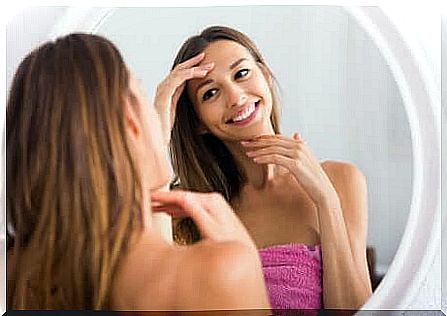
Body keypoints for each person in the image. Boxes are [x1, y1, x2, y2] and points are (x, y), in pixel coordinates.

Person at [6, 33, 270, 312]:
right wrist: (242, 257)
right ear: (131, 123)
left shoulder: (17, 276)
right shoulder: (218, 272)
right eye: (142, 95)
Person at [155, 26, 373, 310]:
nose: (235, 98)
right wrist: (158, 134)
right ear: (198, 122)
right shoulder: (189, 209)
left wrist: (326, 199)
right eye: (210, 93)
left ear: (266, 76)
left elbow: (356, 311)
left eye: (241, 74)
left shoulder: (341, 179)